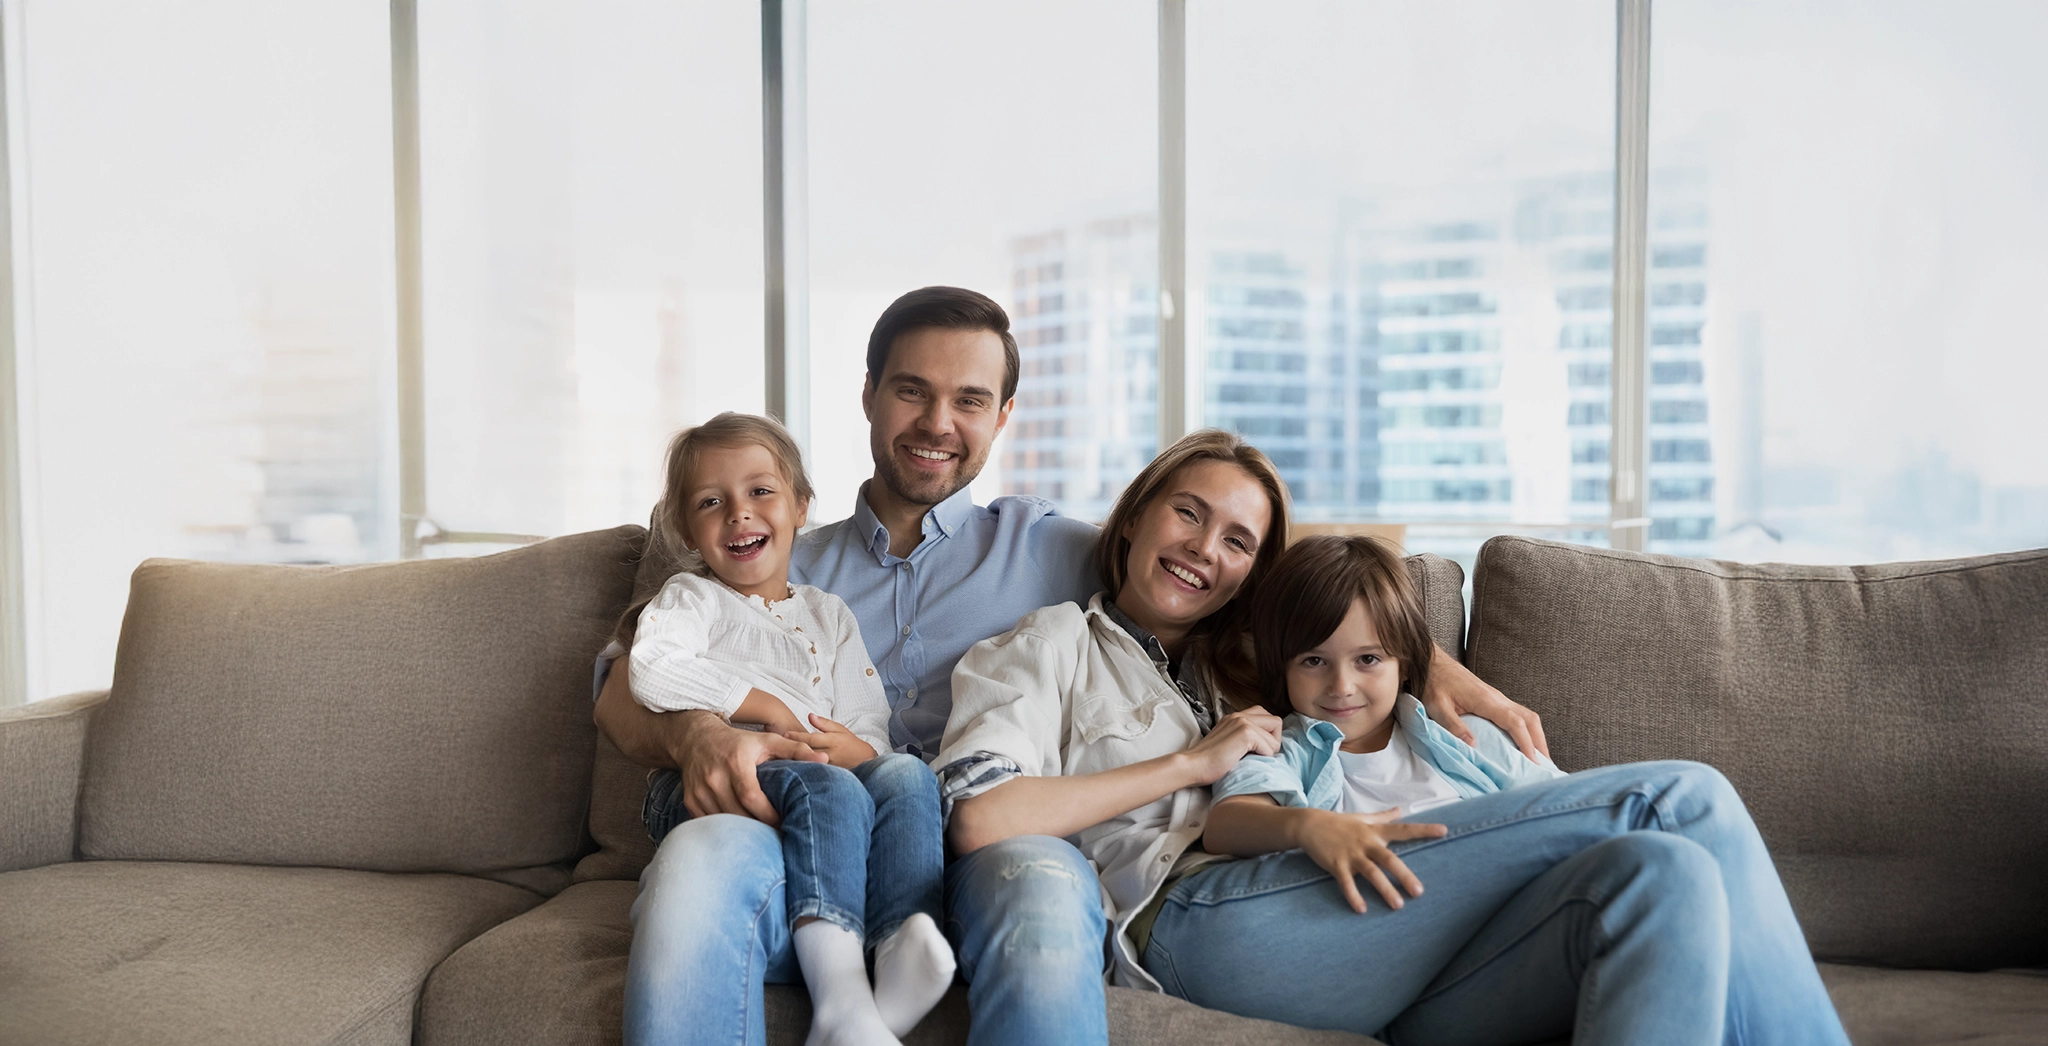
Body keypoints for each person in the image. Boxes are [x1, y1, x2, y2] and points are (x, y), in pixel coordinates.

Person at [593, 286, 1549, 1046]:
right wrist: (701, 730)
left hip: (997, 833)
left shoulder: (1054, 547)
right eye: (912, 390)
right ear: (870, 396)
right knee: (696, 864)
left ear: (1002, 416)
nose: (937, 421)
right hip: (803, 823)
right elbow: (623, 682)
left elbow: (1251, 580)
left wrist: (1431, 663)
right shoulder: (772, 541)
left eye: (969, 399)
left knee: (1046, 888)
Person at [937, 431, 1851, 1046]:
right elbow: (984, 818)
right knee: (1678, 800)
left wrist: (1437, 667)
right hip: (1203, 921)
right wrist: (1188, 763)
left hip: (1368, 943)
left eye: (1239, 541)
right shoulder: (1045, 646)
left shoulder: (1257, 658)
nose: (1206, 548)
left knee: (1665, 874)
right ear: (1133, 516)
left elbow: (1353, 630)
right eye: (1187, 513)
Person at [620, 412, 950, 1046]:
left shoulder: (829, 613)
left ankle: (899, 945)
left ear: (801, 507)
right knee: (830, 787)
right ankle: (841, 998)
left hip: (818, 776)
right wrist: (763, 706)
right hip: (709, 784)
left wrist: (860, 749)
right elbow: (652, 673)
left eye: (760, 492)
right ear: (688, 530)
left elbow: (866, 716)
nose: (739, 514)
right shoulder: (693, 598)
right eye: (711, 502)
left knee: (907, 774)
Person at [1203, 534, 1564, 914]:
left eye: (1368, 660)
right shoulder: (1285, 748)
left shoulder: (1462, 734)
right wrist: (1306, 827)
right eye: (1313, 661)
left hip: (1506, 898)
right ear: (1282, 669)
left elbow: (1567, 807)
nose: (1341, 687)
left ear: (1404, 664)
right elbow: (1225, 824)